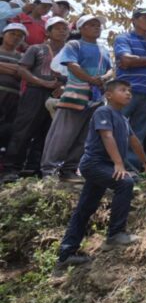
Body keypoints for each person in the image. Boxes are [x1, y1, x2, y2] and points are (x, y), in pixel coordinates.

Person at [54, 80, 146, 271]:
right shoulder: (103, 112)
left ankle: (66, 255)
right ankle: (115, 234)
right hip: (94, 164)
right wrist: (118, 164)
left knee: (85, 207)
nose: (128, 94)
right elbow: (107, 136)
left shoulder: (123, 119)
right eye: (123, 90)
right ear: (108, 95)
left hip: (105, 166)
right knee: (125, 183)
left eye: (129, 90)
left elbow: (134, 142)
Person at [41, 15, 111, 182]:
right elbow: (72, 64)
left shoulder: (104, 50)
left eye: (98, 25)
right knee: (63, 134)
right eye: (91, 25)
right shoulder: (74, 44)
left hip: (96, 97)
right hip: (75, 93)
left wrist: (104, 78)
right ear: (82, 28)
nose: (96, 27)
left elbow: (110, 69)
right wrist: (91, 79)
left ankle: (69, 169)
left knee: (84, 136)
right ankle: (49, 170)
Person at [1, 17, 68, 182]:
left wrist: (63, 87)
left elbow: (72, 74)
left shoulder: (70, 52)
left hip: (58, 95)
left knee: (48, 132)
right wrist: (41, 82)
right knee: (23, 130)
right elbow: (23, 70)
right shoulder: (36, 48)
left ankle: (34, 168)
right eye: (57, 28)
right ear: (48, 32)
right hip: (34, 92)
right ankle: (11, 168)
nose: (62, 31)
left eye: (64, 28)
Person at [113, 8, 146, 169]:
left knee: (138, 134)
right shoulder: (123, 38)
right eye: (145, 18)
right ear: (134, 20)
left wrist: (137, 60)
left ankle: (130, 170)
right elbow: (126, 60)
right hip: (126, 90)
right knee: (116, 128)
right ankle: (109, 165)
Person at [0, 23, 25, 147]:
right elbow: (17, 70)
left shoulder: (23, 57)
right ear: (3, 35)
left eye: (20, 36)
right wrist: (15, 68)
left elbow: (21, 73)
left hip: (12, 97)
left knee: (5, 128)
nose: (15, 37)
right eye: (12, 34)